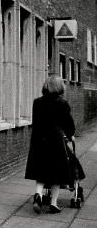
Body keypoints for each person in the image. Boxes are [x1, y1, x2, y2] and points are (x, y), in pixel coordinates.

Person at [26, 75, 76, 214]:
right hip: (56, 141)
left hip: (39, 141)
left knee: (41, 171)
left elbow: (36, 123)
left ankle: (38, 196)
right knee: (57, 173)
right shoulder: (62, 103)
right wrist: (70, 135)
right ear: (60, 87)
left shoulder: (37, 102)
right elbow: (68, 124)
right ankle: (53, 204)